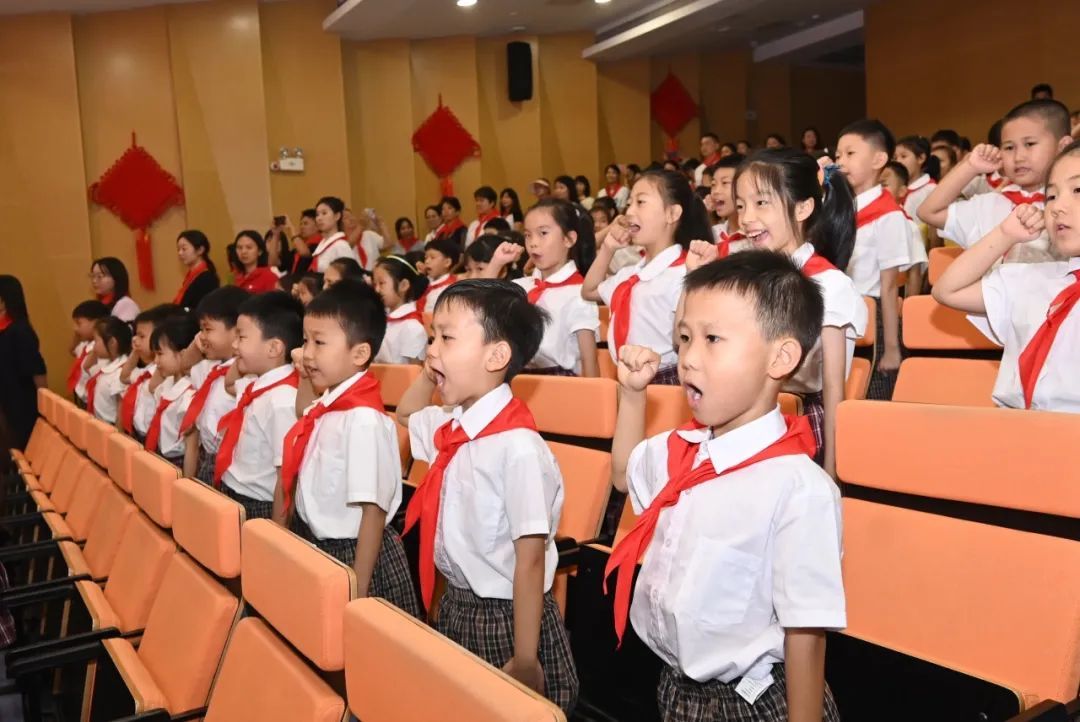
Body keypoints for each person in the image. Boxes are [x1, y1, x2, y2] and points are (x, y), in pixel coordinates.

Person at [606, 251, 844, 722]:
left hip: (753, 703)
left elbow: (806, 636)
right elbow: (621, 476)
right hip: (676, 689)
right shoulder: (681, 450)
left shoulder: (798, 489)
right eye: (684, 338)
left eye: (712, 339)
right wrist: (632, 396)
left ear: (780, 358)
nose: (688, 358)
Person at [397, 279, 579, 713]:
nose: (431, 349)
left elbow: (530, 560)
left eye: (446, 338)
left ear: (496, 356)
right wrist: (432, 368)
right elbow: (406, 414)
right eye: (431, 337)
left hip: (507, 616)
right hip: (457, 604)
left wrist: (526, 657)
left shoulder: (517, 448)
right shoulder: (452, 425)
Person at [690, 149, 866, 475]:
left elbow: (833, 392)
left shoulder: (829, 284)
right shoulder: (746, 279)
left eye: (761, 203)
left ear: (803, 208)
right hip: (743, 418)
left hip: (798, 423)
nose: (746, 218)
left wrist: (832, 473)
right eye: (741, 205)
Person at [278, 280, 421, 616]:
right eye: (304, 340)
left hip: (356, 557)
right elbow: (302, 410)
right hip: (321, 547)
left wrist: (357, 590)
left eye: (319, 342)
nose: (307, 352)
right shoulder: (330, 402)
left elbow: (373, 513)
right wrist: (305, 372)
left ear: (359, 354)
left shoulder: (363, 420)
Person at [933, 141, 1080, 412]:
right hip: (1013, 426)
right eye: (1051, 196)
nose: (1058, 207)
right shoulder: (1032, 277)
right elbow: (946, 290)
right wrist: (1005, 234)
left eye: (1078, 190)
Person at [583, 170, 712, 385]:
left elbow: (681, 339)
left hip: (665, 379)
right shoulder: (632, 274)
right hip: (627, 378)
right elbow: (589, 291)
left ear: (672, 214)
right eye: (629, 203)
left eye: (640, 202)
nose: (629, 211)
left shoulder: (683, 272)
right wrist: (607, 249)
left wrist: (692, 279)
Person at [919, 100, 1073, 264]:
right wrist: (970, 167)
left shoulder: (1073, 204)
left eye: (1029, 144)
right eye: (1009, 147)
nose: (1018, 157)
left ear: (1063, 146)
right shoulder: (989, 204)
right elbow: (928, 212)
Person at [836, 119, 913, 400]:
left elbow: (890, 286)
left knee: (871, 396)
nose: (841, 162)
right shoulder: (841, 208)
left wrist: (891, 348)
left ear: (879, 160)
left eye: (850, 153)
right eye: (838, 155)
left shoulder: (889, 215)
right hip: (841, 311)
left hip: (874, 315)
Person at [481, 199, 601, 377]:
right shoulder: (521, 287)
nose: (533, 243)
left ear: (569, 239)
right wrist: (496, 262)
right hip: (517, 378)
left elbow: (589, 360)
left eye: (543, 233)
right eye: (528, 235)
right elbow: (477, 303)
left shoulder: (579, 294)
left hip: (560, 382)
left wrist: (593, 394)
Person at [213, 291, 302, 520]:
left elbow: (286, 478)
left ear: (273, 348)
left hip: (257, 505)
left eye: (241, 337)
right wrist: (241, 356)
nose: (234, 344)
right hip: (234, 492)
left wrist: (276, 533)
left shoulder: (282, 400)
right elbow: (229, 383)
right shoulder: (256, 385)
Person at [179, 286, 250, 483]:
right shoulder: (210, 368)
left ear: (237, 332)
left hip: (231, 464)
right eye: (200, 329)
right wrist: (198, 344)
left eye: (208, 329)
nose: (201, 336)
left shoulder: (246, 374)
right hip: (207, 457)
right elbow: (184, 366)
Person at [119, 304, 182, 443]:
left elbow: (152, 386)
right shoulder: (145, 371)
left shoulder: (162, 372)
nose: (135, 340)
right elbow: (124, 377)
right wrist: (136, 351)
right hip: (135, 432)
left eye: (141, 336)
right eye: (135, 335)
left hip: (151, 437)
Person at [144, 313, 199, 465]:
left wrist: (185, 480)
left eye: (160, 354)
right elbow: (152, 387)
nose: (156, 361)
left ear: (183, 354)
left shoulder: (189, 395)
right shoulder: (167, 383)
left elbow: (192, 449)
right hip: (159, 455)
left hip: (177, 462)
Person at [0, 276, 47, 453]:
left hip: (22, 402)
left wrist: (44, 403)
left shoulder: (20, 330)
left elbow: (37, 369)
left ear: (4, 300)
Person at [373, 256, 429, 365]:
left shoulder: (412, 327)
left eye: (382, 283)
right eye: (375, 284)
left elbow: (414, 371)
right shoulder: (382, 319)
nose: (377, 289)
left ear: (403, 285)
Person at [86, 316, 132, 425]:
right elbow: (86, 367)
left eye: (96, 341)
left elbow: (121, 411)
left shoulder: (120, 373)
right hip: (99, 424)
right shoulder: (107, 365)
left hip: (111, 426)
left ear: (112, 342)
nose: (93, 346)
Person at [68, 300, 109, 405]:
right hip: (80, 395)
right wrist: (77, 334)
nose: (75, 328)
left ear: (96, 323)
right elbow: (72, 350)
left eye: (79, 323)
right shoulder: (84, 345)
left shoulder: (102, 349)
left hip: (93, 399)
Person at [709, 153, 747, 257]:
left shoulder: (757, 238)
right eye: (713, 184)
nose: (715, 191)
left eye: (725, 183)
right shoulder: (712, 234)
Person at [310, 196, 360, 273]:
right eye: (317, 214)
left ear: (337, 216)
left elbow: (350, 274)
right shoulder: (322, 244)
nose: (319, 218)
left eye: (324, 213)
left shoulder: (341, 245)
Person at [174, 230, 221, 310]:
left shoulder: (207, 278)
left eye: (184, 249)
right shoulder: (191, 277)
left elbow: (199, 309)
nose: (180, 253)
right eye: (178, 249)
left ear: (200, 250)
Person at [89, 257, 140, 322]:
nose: (94, 281)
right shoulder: (101, 304)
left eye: (99, 276)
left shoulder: (126, 304)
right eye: (93, 276)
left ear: (116, 277)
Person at [419, 238, 461, 314]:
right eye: (426, 258)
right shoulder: (428, 280)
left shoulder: (447, 290)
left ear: (447, 262)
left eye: (432, 257)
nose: (427, 261)